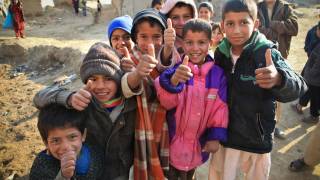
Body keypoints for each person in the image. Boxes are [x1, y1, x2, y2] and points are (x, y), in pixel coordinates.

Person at [209, 0, 307, 179]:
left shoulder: (266, 52)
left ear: (255, 24)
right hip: (225, 138)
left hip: (256, 140)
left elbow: (300, 86)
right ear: (222, 26)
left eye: (243, 22)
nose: (236, 30)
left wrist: (279, 78)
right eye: (230, 24)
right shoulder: (221, 54)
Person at [33, 42, 137, 180]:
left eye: (108, 78)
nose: (100, 86)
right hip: (92, 172)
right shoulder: (82, 101)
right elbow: (39, 98)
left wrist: (137, 73)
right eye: (93, 79)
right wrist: (69, 98)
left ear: (118, 80)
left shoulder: (132, 103)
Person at [155, 19, 228, 180]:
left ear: (210, 43)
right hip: (172, 145)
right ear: (183, 44)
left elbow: (220, 108)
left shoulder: (217, 75)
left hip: (198, 146)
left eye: (201, 42)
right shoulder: (176, 71)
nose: (195, 48)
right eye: (189, 42)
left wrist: (215, 136)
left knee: (190, 175)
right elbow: (166, 102)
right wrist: (173, 81)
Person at [120, 8, 170, 179]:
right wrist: (137, 74)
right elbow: (126, 88)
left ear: (164, 37)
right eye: (143, 37)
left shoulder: (169, 59)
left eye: (156, 37)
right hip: (136, 128)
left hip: (165, 128)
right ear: (135, 38)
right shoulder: (129, 61)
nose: (150, 43)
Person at [258, 0, 299, 139]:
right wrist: (275, 32)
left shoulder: (286, 8)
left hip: (280, 55)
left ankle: (275, 125)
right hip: (258, 55)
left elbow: (294, 28)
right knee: (260, 90)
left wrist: (273, 25)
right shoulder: (257, 7)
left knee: (278, 93)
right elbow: (255, 28)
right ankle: (259, 124)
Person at [29, 104, 103, 180]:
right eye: (56, 140)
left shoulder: (95, 153)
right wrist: (63, 177)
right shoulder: (42, 166)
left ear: (83, 135)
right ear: (46, 143)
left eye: (72, 137)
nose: (66, 147)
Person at [292, 22, 320, 114]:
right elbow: (308, 43)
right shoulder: (313, 31)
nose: (317, 31)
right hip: (311, 65)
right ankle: (300, 104)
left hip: (314, 73)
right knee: (307, 85)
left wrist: (310, 74)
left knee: (311, 88)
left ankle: (312, 113)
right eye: (317, 30)